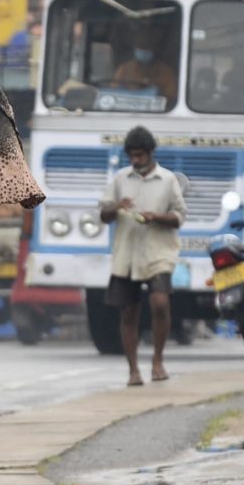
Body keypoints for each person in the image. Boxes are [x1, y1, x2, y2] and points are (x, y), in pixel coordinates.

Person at [99, 126, 186, 387]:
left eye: (140, 155)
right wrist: (117, 206)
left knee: (160, 302)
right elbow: (104, 215)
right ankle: (133, 370)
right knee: (128, 312)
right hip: (126, 254)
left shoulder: (168, 180)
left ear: (150, 153)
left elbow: (179, 217)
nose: (136, 161)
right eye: (132, 156)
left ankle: (158, 361)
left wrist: (155, 217)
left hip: (159, 252)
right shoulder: (120, 179)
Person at [112, 27, 178, 103]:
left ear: (153, 49)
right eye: (141, 47)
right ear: (135, 49)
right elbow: (114, 90)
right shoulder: (124, 69)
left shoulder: (165, 71)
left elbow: (172, 94)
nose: (143, 51)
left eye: (147, 47)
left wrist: (158, 92)